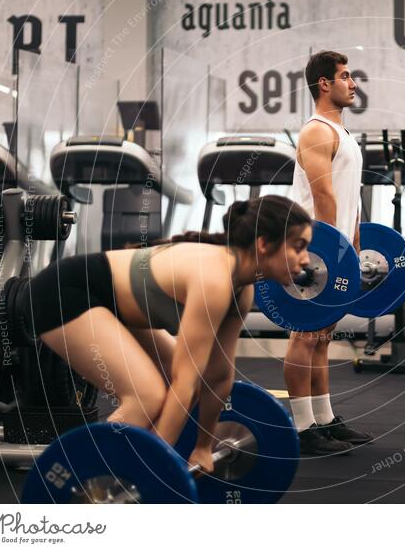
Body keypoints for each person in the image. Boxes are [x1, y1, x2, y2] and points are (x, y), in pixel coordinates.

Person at [30, 195, 311, 473]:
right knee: (147, 396)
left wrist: (203, 447)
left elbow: (218, 376)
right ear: (263, 244)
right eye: (298, 247)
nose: (307, 259)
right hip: (65, 292)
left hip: (114, 306)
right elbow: (186, 381)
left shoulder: (242, 289)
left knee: (168, 381)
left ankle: (130, 467)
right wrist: (159, 467)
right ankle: (79, 477)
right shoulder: (214, 278)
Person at [286, 50, 375, 455]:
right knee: (304, 336)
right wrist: (331, 253)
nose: (353, 83)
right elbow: (322, 197)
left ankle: (324, 419)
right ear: (325, 83)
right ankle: (302, 428)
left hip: (334, 249)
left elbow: (348, 197)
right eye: (345, 76)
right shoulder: (316, 131)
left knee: (322, 335)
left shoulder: (342, 134)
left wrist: (354, 247)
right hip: (312, 251)